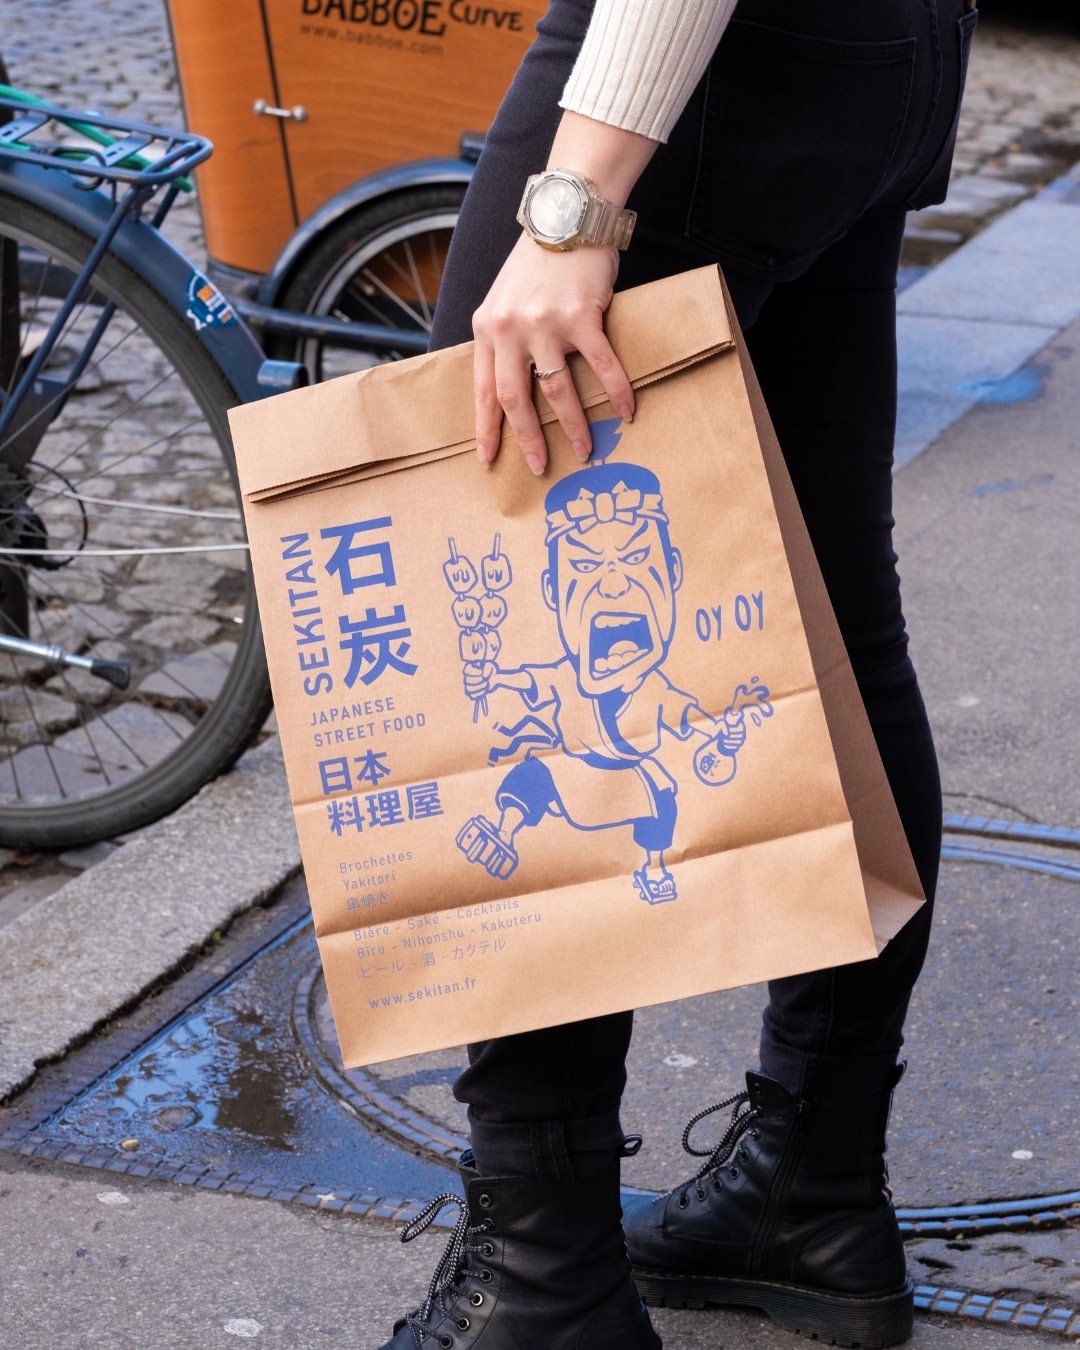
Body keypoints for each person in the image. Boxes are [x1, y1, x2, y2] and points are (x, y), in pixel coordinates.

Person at [376, 1, 977, 1346]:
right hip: (880, 53)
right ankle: (811, 1187)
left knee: (507, 621)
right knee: (835, 617)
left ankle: (542, 1274)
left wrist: (574, 206)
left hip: (705, 62)